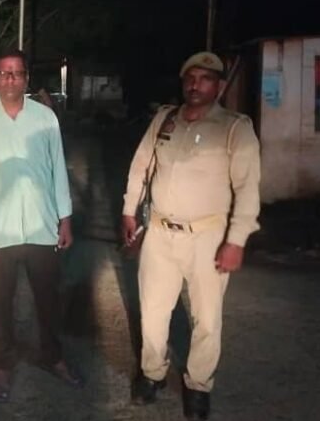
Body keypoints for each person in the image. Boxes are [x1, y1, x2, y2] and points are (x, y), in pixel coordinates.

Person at [121, 51, 260, 420]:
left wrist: (236, 240)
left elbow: (247, 189)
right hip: (160, 232)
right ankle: (152, 373)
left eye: (205, 79)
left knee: (207, 319)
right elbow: (141, 166)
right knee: (152, 311)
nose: (196, 85)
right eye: (190, 78)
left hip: (208, 236)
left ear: (219, 86)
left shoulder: (235, 128)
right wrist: (129, 211)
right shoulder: (165, 118)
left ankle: (198, 385)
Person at [0, 49, 81, 403]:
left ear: (27, 78)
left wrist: (65, 218)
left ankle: (53, 356)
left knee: (48, 299)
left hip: (42, 224)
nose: (11, 79)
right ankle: (1, 364)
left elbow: (57, 168)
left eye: (18, 73)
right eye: (4, 73)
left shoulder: (45, 118)